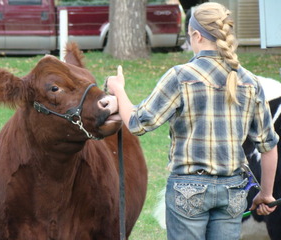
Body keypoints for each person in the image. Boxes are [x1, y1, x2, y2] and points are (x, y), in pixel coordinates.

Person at [106, 2, 279, 240]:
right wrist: (265, 194)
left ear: (197, 36)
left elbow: (137, 122)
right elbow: (268, 147)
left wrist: (119, 90)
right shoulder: (249, 82)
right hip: (233, 191)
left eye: (189, 36)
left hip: (188, 191)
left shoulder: (180, 76)